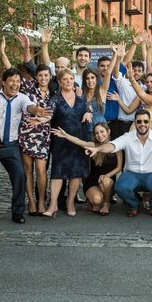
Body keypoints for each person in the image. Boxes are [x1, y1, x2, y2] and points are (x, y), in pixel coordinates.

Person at [85, 110, 152, 217]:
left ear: (149, 122)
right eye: (139, 121)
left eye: (145, 121)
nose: (142, 124)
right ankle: (133, 205)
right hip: (132, 174)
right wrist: (98, 149)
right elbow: (112, 145)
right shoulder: (127, 136)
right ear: (135, 123)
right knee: (120, 187)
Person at [0, 67, 50, 224]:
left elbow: (30, 106)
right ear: (4, 81)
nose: (15, 84)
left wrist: (37, 110)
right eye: (12, 81)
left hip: (11, 146)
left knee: (20, 175)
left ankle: (18, 212)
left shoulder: (22, 98)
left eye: (18, 81)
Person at [0, 38, 53, 216]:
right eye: (40, 75)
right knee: (28, 169)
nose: (43, 78)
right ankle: (30, 201)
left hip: (43, 135)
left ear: (50, 77)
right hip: (26, 133)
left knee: (41, 170)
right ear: (36, 77)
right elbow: (11, 73)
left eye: (46, 75)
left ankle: (41, 202)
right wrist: (5, 52)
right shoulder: (28, 87)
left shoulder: (54, 91)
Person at [43, 69, 92, 218]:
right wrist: (42, 119)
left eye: (71, 78)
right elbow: (49, 113)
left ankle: (70, 201)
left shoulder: (80, 97)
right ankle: (53, 204)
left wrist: (88, 112)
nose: (69, 81)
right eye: (65, 79)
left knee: (75, 173)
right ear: (59, 82)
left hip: (78, 139)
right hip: (60, 141)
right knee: (57, 173)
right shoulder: (55, 99)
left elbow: (87, 109)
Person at [51, 122, 122, 216]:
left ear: (108, 131)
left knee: (106, 181)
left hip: (107, 182)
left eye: (102, 131)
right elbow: (79, 142)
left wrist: (107, 175)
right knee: (97, 201)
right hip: (92, 182)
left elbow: (119, 167)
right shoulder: (93, 145)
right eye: (96, 133)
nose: (100, 135)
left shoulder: (116, 146)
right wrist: (66, 135)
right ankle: (93, 201)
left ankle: (106, 203)